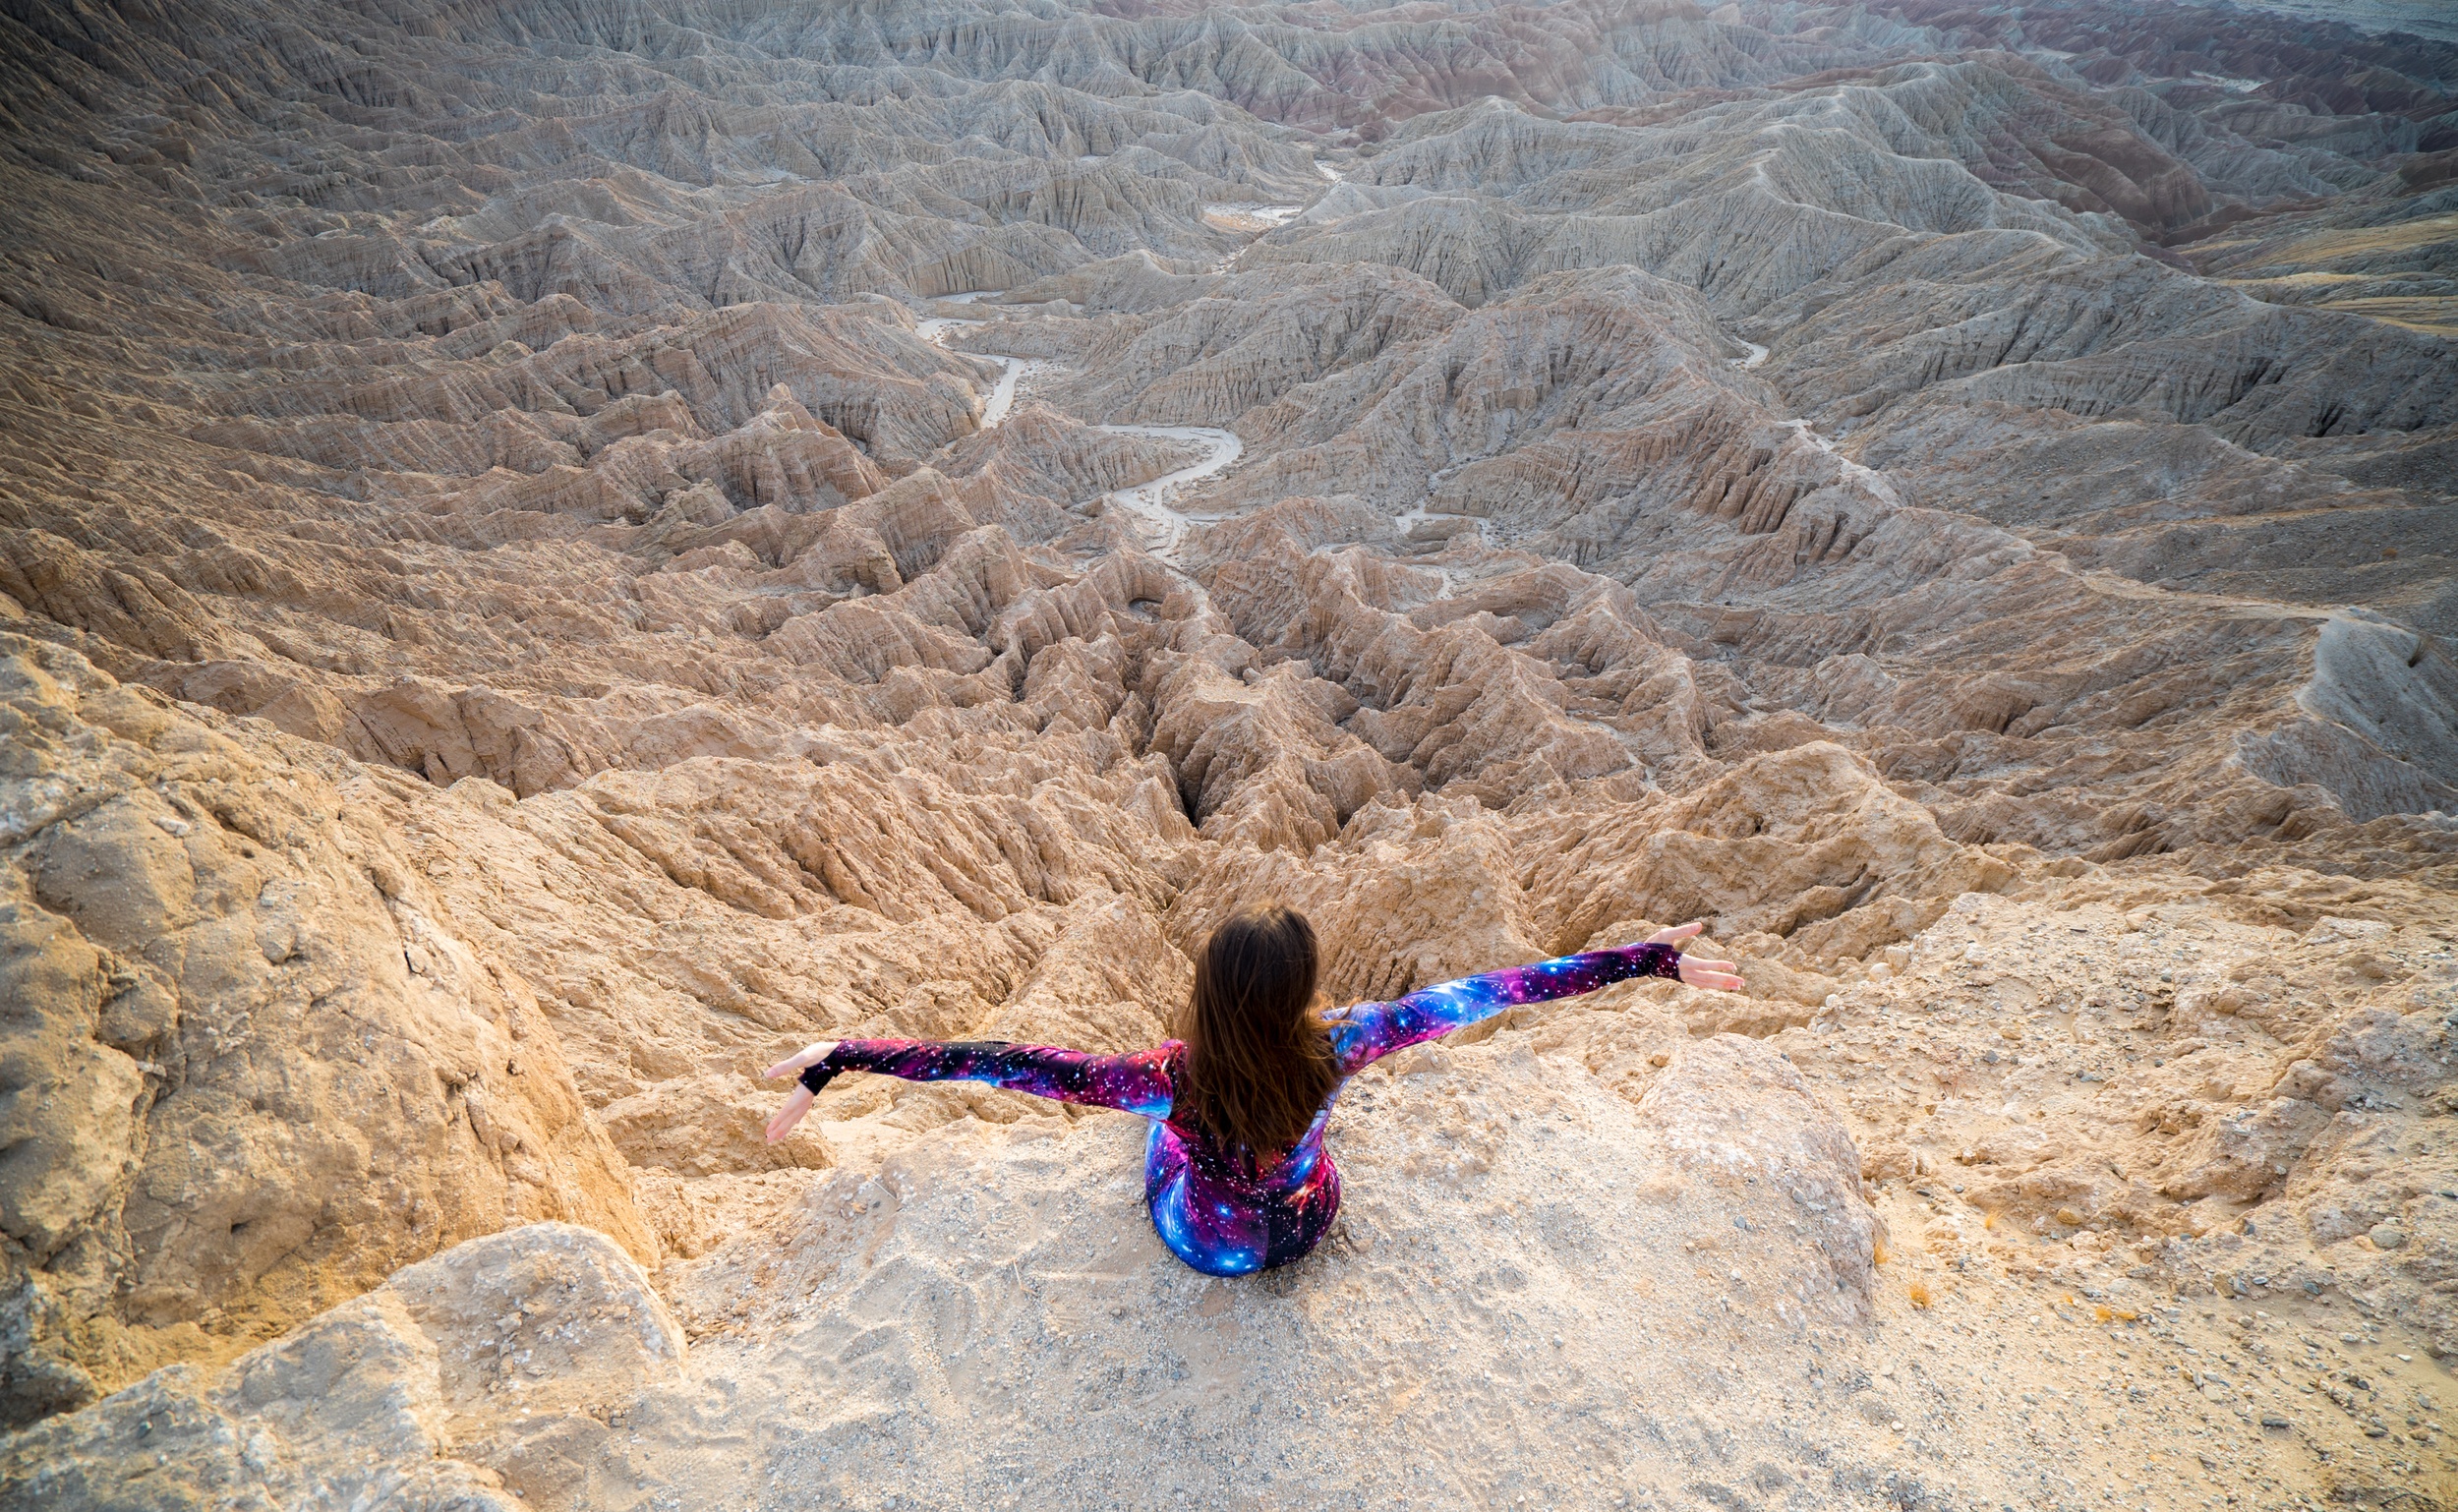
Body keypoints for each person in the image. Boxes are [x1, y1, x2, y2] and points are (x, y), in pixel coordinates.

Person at [762, 907, 1743, 1277]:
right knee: (1288, 1150)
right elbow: (1504, 987)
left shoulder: (1163, 1081)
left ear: (1210, 999)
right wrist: (1649, 959)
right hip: (1306, 1223)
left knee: (1159, 1136)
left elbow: (994, 1058)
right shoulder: (1347, 1042)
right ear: (1302, 991)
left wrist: (840, 1055)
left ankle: (1205, 1180)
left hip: (1210, 1244)